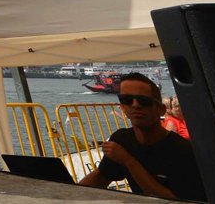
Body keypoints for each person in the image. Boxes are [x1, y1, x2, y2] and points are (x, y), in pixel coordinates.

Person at [78, 73, 206, 201]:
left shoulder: (182, 150)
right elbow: (101, 178)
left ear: (161, 109)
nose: (135, 105)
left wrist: (129, 161)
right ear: (122, 108)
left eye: (144, 101)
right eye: (127, 100)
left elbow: (176, 201)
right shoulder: (122, 140)